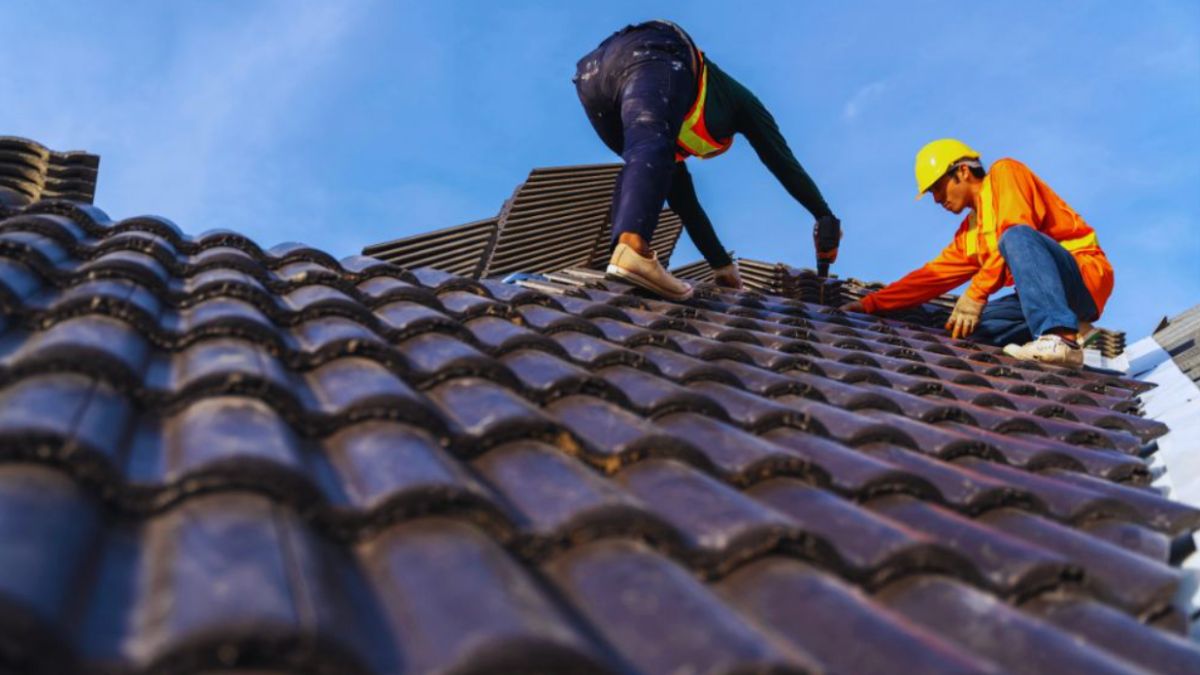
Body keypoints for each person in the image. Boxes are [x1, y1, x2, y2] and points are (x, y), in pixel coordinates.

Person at [573, 20, 841, 300]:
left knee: (646, 166)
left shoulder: (667, 132)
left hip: (592, 77)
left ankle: (620, 260)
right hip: (655, 49)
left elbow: (685, 203)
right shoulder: (741, 103)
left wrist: (721, 265)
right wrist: (824, 215)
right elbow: (781, 161)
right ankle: (632, 248)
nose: (691, 154)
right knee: (652, 147)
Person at [841, 139, 1113, 367]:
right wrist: (870, 304)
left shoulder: (1005, 173)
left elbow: (1016, 228)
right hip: (1042, 296)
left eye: (937, 187)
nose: (937, 199)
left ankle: (1061, 338)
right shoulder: (970, 233)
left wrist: (975, 293)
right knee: (968, 328)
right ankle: (1074, 330)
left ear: (962, 171)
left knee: (1015, 235)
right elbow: (930, 277)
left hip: (1082, 276)